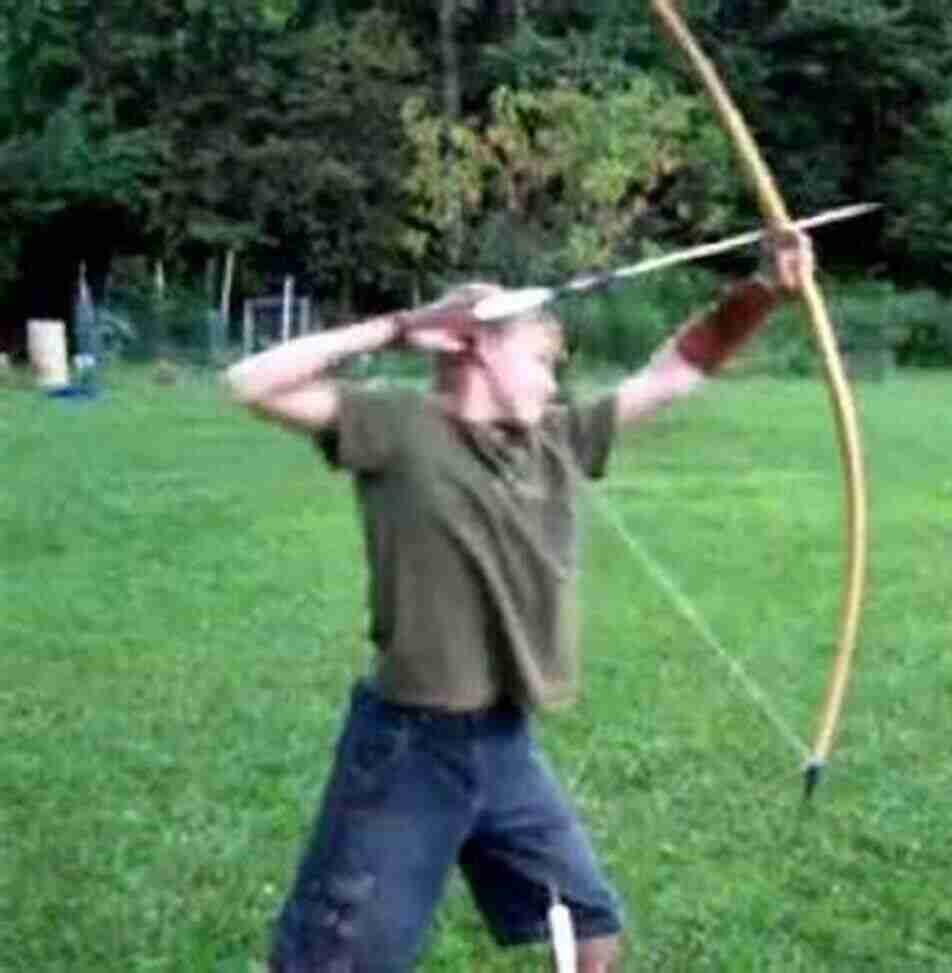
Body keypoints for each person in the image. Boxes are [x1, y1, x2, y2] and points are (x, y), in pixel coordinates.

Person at [223, 227, 814, 972]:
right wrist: (403, 327)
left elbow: (671, 374)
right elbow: (250, 382)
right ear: (477, 347)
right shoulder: (401, 428)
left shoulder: (556, 438)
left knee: (591, 929)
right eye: (541, 360)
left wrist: (764, 291)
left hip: (503, 746)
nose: (553, 381)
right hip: (409, 748)